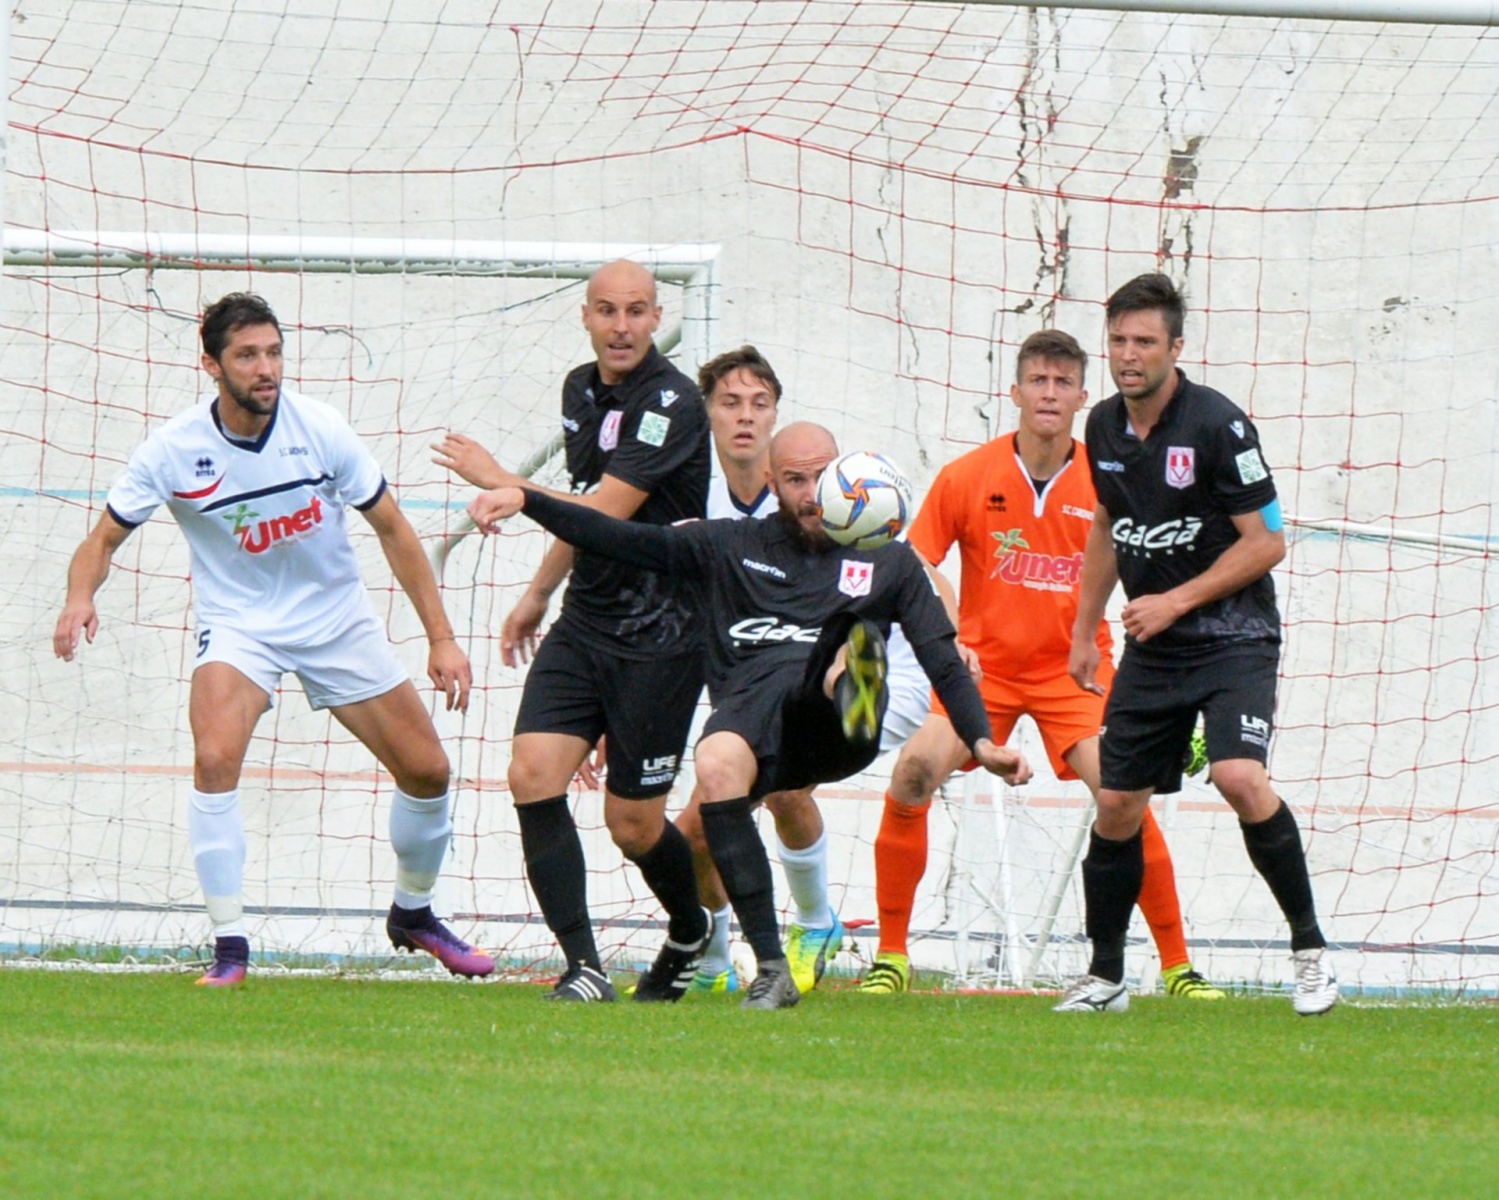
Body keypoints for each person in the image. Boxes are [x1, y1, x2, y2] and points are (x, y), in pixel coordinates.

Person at [468, 422, 1033, 1010]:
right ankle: (771, 969)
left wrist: (982, 741)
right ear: (771, 483)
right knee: (714, 764)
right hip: (751, 717)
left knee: (842, 649)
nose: (812, 492)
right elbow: (619, 538)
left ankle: (849, 677)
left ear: (846, 475)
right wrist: (528, 497)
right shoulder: (731, 544)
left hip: (830, 731)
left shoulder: (885, 558)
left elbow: (942, 658)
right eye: (795, 480)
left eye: (823, 476)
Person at [53, 292, 491, 986]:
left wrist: (441, 639)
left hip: (335, 620)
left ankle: (414, 913)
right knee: (215, 756)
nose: (267, 369)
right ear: (211, 365)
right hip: (241, 627)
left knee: (428, 772)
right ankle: (230, 950)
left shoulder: (320, 429)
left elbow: (394, 531)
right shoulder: (173, 450)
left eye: (274, 352)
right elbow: (102, 539)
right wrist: (81, 597)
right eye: (248, 355)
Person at [862, 329, 1223, 1000]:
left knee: (1123, 797)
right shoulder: (966, 476)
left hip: (1075, 674)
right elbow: (909, 562)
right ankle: (889, 955)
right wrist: (945, 634)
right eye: (1038, 380)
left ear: (1084, 396)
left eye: (1062, 383)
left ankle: (1176, 966)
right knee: (912, 772)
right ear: (1016, 392)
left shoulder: (1111, 476)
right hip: (982, 676)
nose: (1049, 393)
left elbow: (1164, 558)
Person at [432, 260, 713, 1003]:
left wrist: (508, 482)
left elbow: (610, 509)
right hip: (586, 620)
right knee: (530, 776)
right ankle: (584, 965)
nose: (620, 326)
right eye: (606, 311)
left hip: (662, 633)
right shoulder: (580, 390)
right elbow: (583, 505)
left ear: (657, 318)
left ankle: (690, 928)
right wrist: (537, 592)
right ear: (584, 316)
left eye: (636, 312)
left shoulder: (674, 403)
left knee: (632, 824)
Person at [1061, 273, 1338, 1015]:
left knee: (1238, 777)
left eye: (1143, 342)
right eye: (1118, 340)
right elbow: (1105, 528)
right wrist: (1085, 627)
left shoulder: (1218, 425)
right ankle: (1105, 977)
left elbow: (1267, 543)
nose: (1128, 355)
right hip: (1154, 647)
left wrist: (1176, 599)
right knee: (1116, 800)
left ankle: (1309, 953)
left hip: (1232, 635)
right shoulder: (1100, 427)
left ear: (1174, 348)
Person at [673, 346, 935, 995]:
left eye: (759, 403)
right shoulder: (697, 496)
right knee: (704, 826)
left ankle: (798, 930)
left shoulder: (830, 487)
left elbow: (907, 566)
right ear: (706, 414)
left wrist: (947, 641)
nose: (745, 416)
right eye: (730, 403)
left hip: (872, 678)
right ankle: (723, 959)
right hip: (770, 679)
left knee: (757, 793)